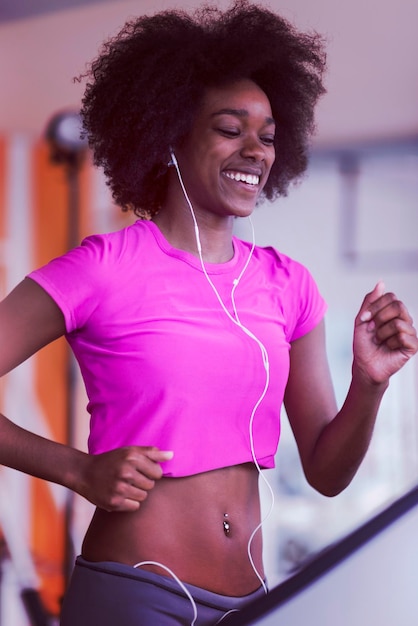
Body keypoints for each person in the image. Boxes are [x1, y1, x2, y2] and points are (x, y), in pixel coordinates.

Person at [1, 1, 417, 624]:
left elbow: (328, 474)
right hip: (133, 593)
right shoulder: (104, 267)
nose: (256, 150)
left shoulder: (289, 285)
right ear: (169, 133)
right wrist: (78, 470)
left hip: (252, 602)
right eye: (230, 128)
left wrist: (369, 384)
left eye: (269, 136)